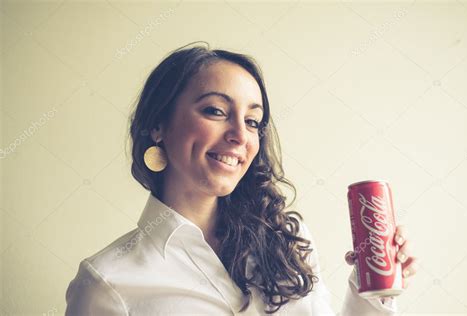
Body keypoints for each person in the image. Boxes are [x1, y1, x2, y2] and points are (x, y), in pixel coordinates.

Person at [65, 42, 418, 315]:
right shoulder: (106, 283)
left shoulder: (288, 240)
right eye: (216, 111)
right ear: (158, 125)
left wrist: (374, 287)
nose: (239, 134)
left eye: (252, 121)